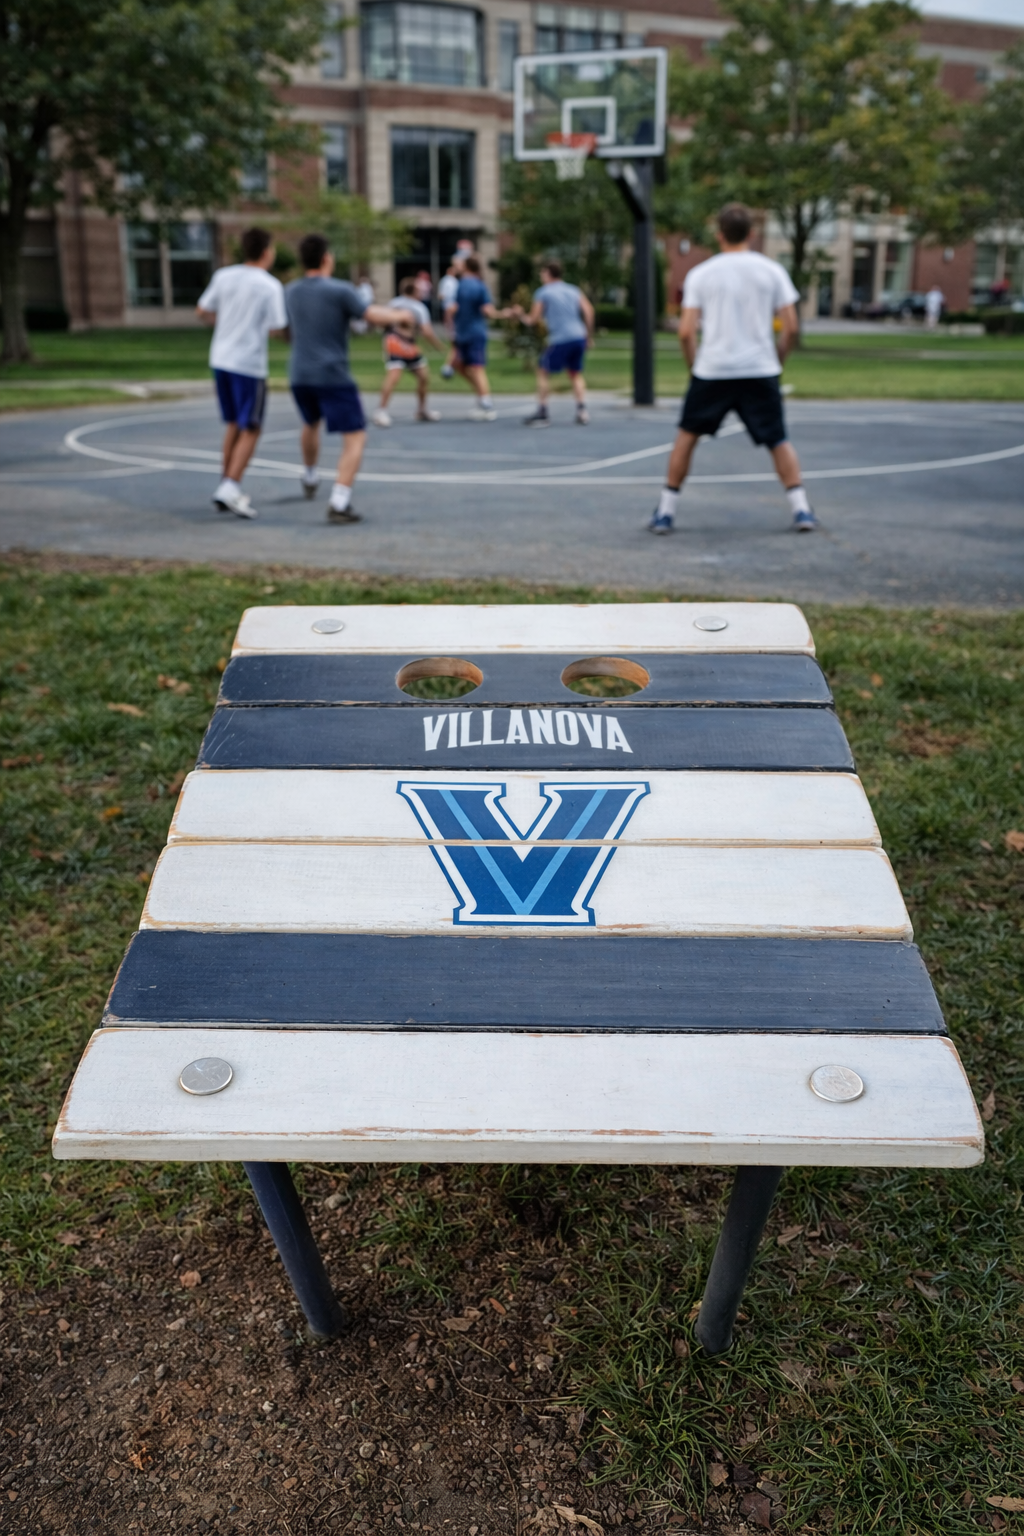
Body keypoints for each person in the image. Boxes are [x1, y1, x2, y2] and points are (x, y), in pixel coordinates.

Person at [650, 202, 818, 535]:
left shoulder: (701, 274)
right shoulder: (772, 271)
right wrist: (777, 362)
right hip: (760, 369)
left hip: (713, 369)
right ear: (752, 234)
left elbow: (685, 331)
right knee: (778, 439)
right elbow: (792, 327)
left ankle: (666, 511)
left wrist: (694, 366)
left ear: (718, 235)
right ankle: (801, 509)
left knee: (686, 438)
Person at [283, 233, 416, 524]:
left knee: (310, 423)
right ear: (327, 258)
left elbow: (282, 329)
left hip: (299, 372)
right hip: (331, 374)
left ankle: (309, 474)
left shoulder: (290, 291)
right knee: (355, 436)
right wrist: (400, 315)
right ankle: (339, 502)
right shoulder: (339, 290)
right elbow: (370, 315)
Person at [196, 227, 287, 519]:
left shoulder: (224, 276)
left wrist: (224, 326)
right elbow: (276, 327)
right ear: (266, 252)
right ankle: (231, 485)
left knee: (234, 423)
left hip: (220, 358)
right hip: (248, 363)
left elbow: (202, 310)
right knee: (252, 427)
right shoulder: (269, 285)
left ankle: (227, 483)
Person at [518, 259, 594, 427]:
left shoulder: (543, 292)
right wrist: (589, 335)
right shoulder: (573, 290)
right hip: (578, 336)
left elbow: (532, 320)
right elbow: (589, 311)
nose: (540, 276)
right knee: (575, 373)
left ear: (547, 273)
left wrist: (520, 315)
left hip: (560, 338)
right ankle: (582, 410)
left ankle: (543, 412)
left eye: (542, 272)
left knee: (543, 371)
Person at [444, 255, 512, 422]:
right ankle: (483, 396)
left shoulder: (470, 285)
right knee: (463, 366)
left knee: (474, 367)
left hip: (472, 333)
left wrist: (502, 314)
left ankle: (486, 403)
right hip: (467, 332)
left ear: (467, 267)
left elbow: (484, 310)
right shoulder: (468, 285)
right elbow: (484, 310)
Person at [373, 277, 444, 427]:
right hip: (400, 343)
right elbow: (427, 331)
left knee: (422, 376)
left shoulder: (394, 303)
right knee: (396, 376)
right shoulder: (419, 308)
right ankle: (381, 411)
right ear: (415, 291)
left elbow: (382, 321)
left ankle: (421, 410)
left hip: (400, 343)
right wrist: (438, 346)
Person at [437, 259, 462, 379]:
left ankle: (451, 365)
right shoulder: (448, 281)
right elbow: (441, 295)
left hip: (453, 310)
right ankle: (448, 366)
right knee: (455, 339)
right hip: (451, 310)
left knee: (456, 341)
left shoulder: (455, 281)